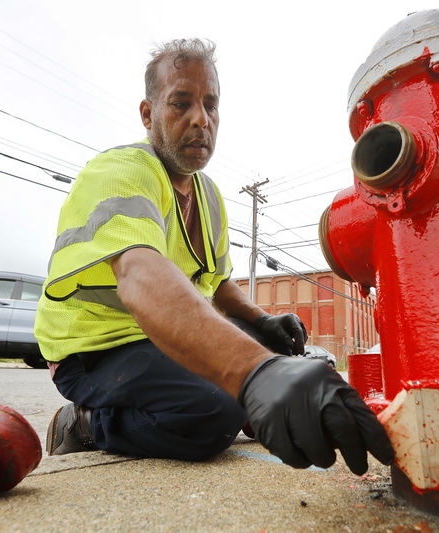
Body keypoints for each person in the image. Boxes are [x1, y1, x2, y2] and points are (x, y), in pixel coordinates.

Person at [34, 38, 393, 475]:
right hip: (96, 349)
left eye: (210, 105)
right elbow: (138, 275)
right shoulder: (121, 171)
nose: (200, 120)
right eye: (180, 103)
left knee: (301, 364)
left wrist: (262, 324)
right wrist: (254, 372)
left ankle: (252, 402)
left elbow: (218, 283)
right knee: (213, 411)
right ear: (148, 114)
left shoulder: (209, 196)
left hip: (160, 337)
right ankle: (84, 423)